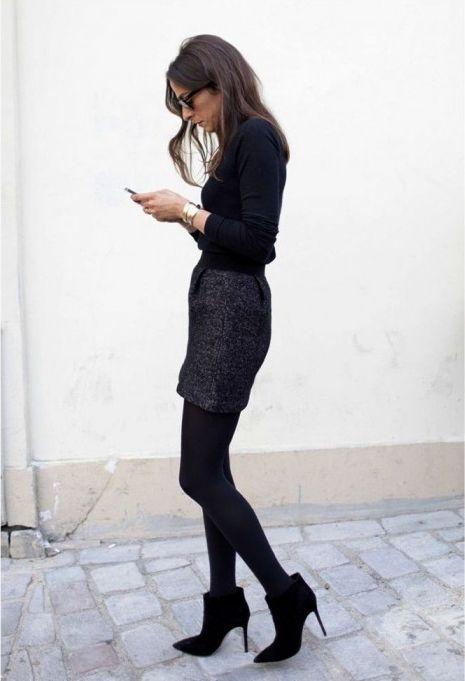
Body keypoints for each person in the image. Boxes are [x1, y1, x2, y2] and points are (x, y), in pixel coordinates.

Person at [130, 33, 326, 663]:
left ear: (222, 82)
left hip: (233, 312)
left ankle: (286, 595)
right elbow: (226, 238)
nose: (187, 114)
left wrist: (189, 211)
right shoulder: (235, 143)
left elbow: (260, 242)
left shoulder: (257, 138)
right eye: (179, 105)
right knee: (213, 469)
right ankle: (223, 606)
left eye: (190, 100)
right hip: (217, 304)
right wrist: (182, 218)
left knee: (197, 474)